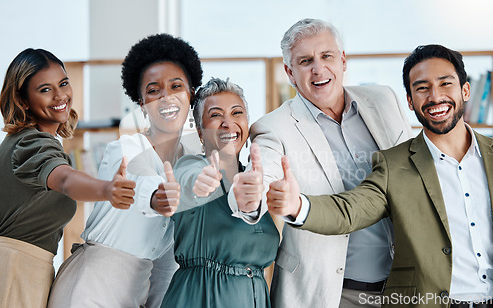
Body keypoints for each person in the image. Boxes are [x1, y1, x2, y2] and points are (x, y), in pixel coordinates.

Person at [267, 44, 493, 307]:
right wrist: (298, 206)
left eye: (445, 84)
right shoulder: (394, 165)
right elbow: (349, 210)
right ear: (410, 101)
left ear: (465, 90)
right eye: (422, 88)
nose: (435, 96)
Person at [231, 18, 413, 307]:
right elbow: (262, 176)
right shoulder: (273, 127)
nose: (318, 68)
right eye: (305, 61)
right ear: (290, 73)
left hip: (402, 286)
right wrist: (250, 197)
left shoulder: (384, 99)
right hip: (329, 292)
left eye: (326, 56)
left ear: (343, 60)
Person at [47, 34, 203, 308]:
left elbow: (166, 258)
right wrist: (159, 197)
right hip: (91, 287)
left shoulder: (190, 162)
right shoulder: (125, 149)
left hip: (137, 291)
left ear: (190, 94)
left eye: (176, 86)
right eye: (153, 90)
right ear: (142, 103)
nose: (166, 96)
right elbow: (144, 184)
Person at [0, 48, 136, 308]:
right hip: (14, 271)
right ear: (22, 99)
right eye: (45, 89)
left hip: (19, 269)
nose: (60, 96)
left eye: (63, 83)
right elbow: (65, 180)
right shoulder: (31, 143)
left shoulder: (24, 140)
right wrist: (106, 190)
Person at [161, 78, 279, 308]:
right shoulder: (191, 166)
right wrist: (199, 183)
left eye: (237, 113)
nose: (228, 122)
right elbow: (188, 181)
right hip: (200, 298)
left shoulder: (255, 181)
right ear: (200, 131)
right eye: (216, 115)